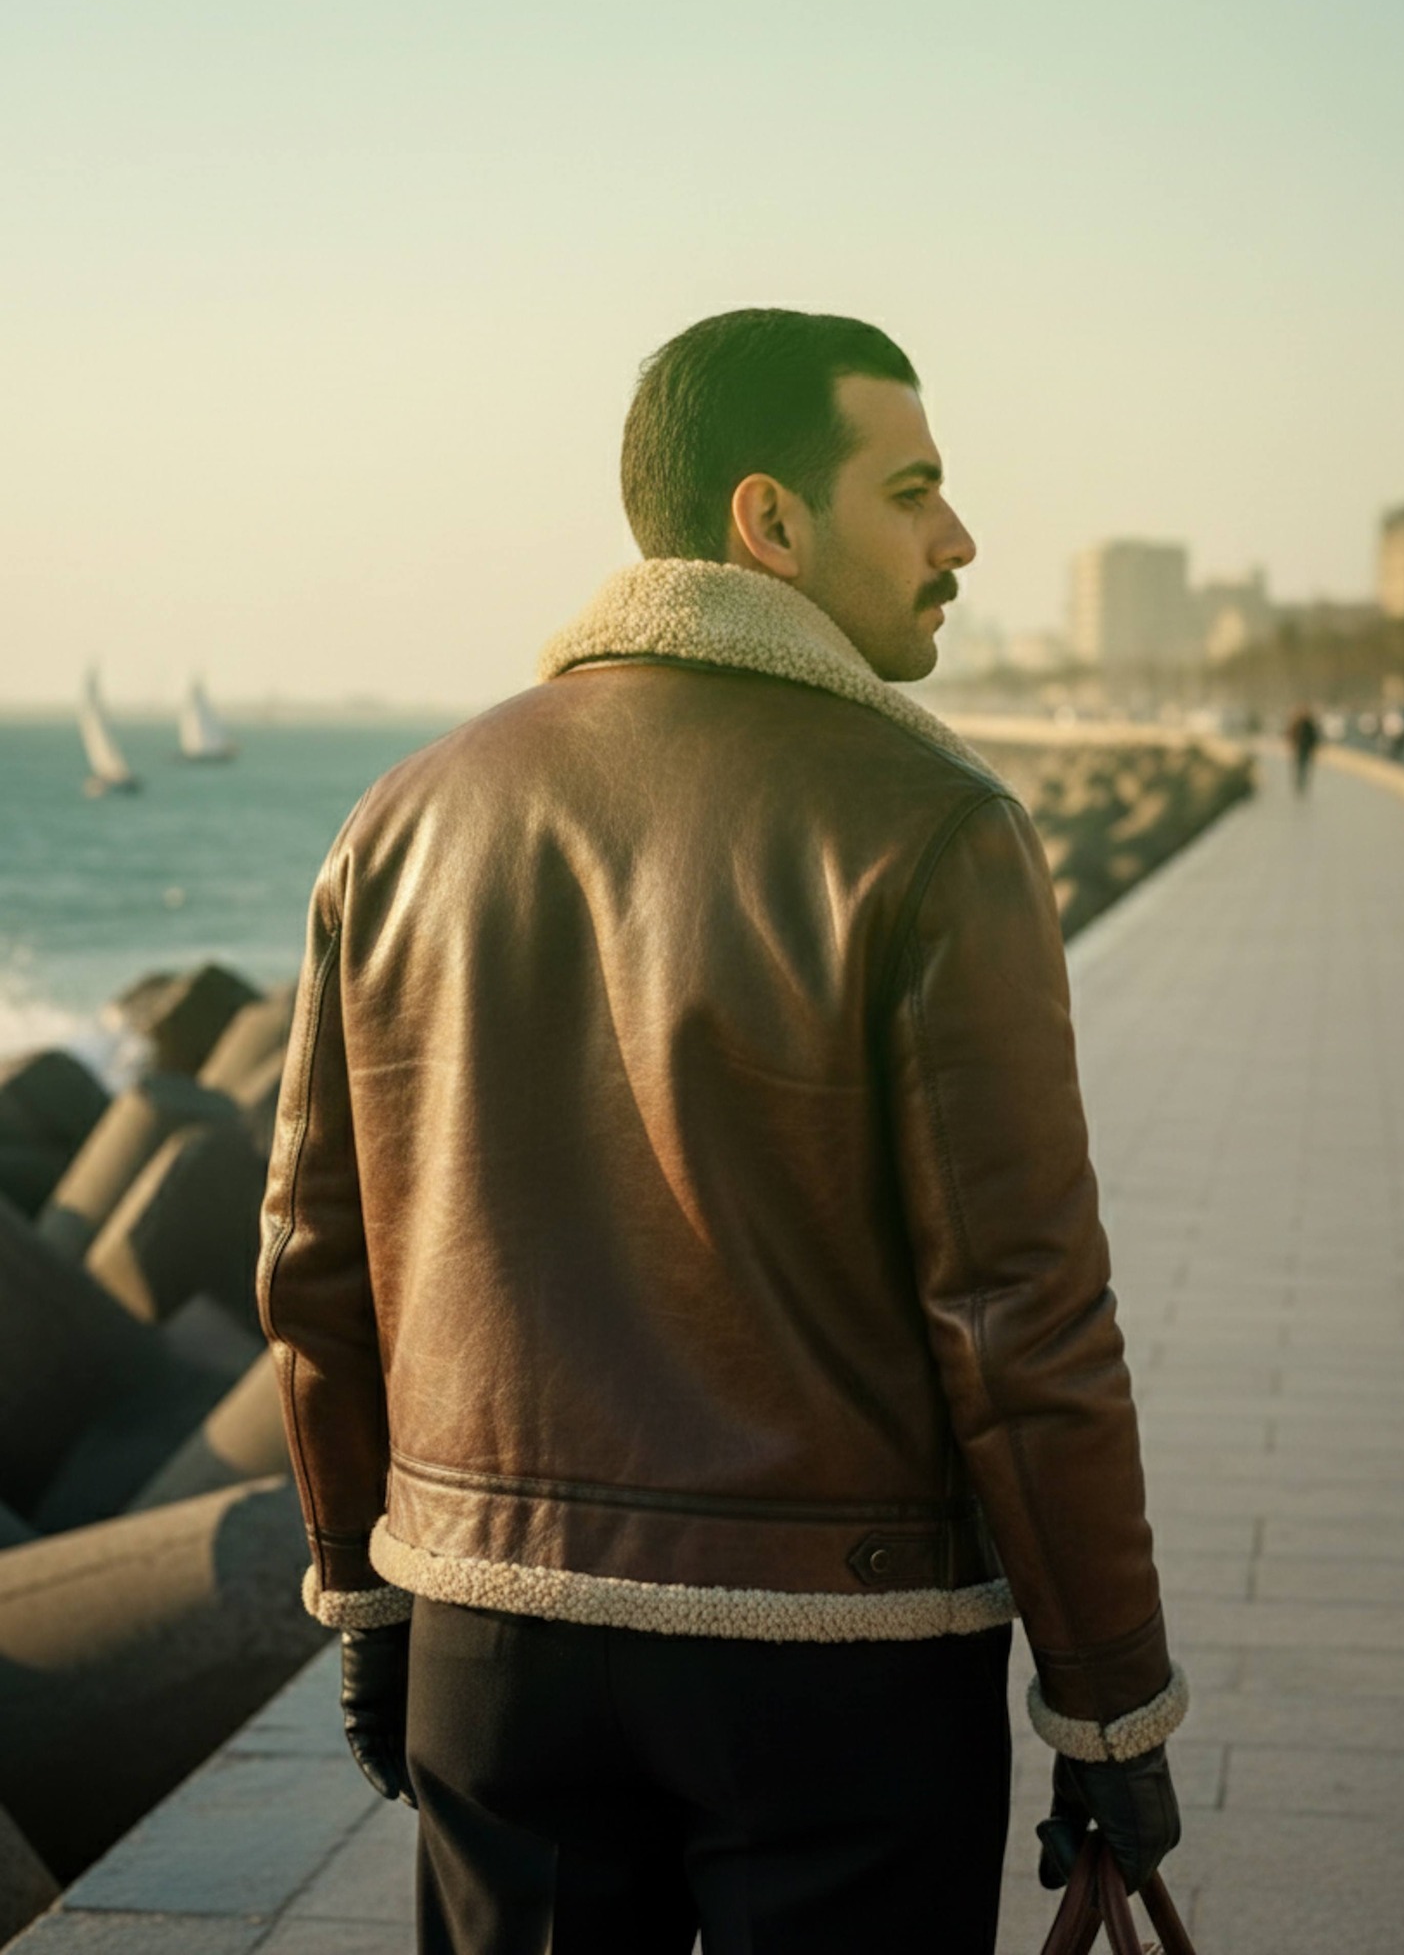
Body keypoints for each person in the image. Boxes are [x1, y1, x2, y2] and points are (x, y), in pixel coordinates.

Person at [259, 308, 1185, 1954]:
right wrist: (1109, 1702)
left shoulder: (403, 815)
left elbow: (318, 1257)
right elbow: (1022, 1316)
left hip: (493, 1626)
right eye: (914, 489)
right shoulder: (930, 828)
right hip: (837, 1665)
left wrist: (365, 1592)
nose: (960, 538)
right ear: (769, 520)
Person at [1286, 704, 1320, 794]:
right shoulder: (1297, 723)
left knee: (1305, 768)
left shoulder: (1309, 724)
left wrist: (1314, 747)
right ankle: (1299, 785)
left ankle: (1303, 784)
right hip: (1299, 749)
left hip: (1307, 749)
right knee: (1299, 768)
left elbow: (1314, 737)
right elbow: (1291, 735)